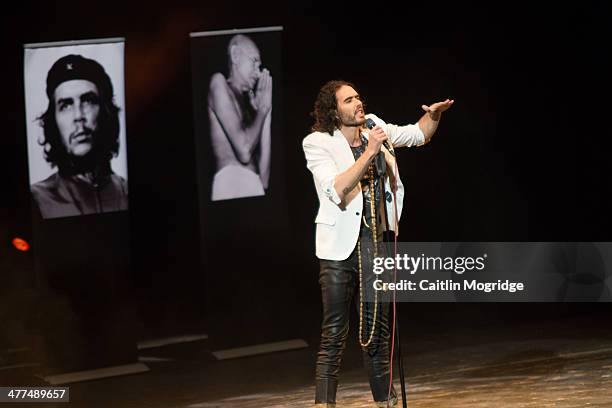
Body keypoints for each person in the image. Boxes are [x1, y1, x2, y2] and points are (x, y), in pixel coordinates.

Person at [302, 80, 453, 407]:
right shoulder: (317, 142)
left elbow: (418, 134)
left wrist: (434, 116)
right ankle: (323, 404)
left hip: (375, 244)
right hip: (339, 249)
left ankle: (386, 402)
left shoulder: (375, 126)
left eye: (358, 97)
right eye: (349, 100)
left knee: (377, 334)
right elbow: (335, 189)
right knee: (334, 334)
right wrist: (370, 152)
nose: (358, 103)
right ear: (334, 110)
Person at [31, 54, 127, 219]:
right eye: (66, 105)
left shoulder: (127, 192)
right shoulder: (35, 200)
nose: (78, 116)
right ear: (53, 123)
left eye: (88, 101)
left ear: (106, 114)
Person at [207, 34, 272, 201]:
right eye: (254, 62)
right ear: (236, 55)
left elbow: (263, 179)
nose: (258, 73)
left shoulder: (249, 107)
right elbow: (244, 151)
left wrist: (266, 114)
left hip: (254, 186)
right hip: (231, 184)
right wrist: (263, 110)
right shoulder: (218, 82)